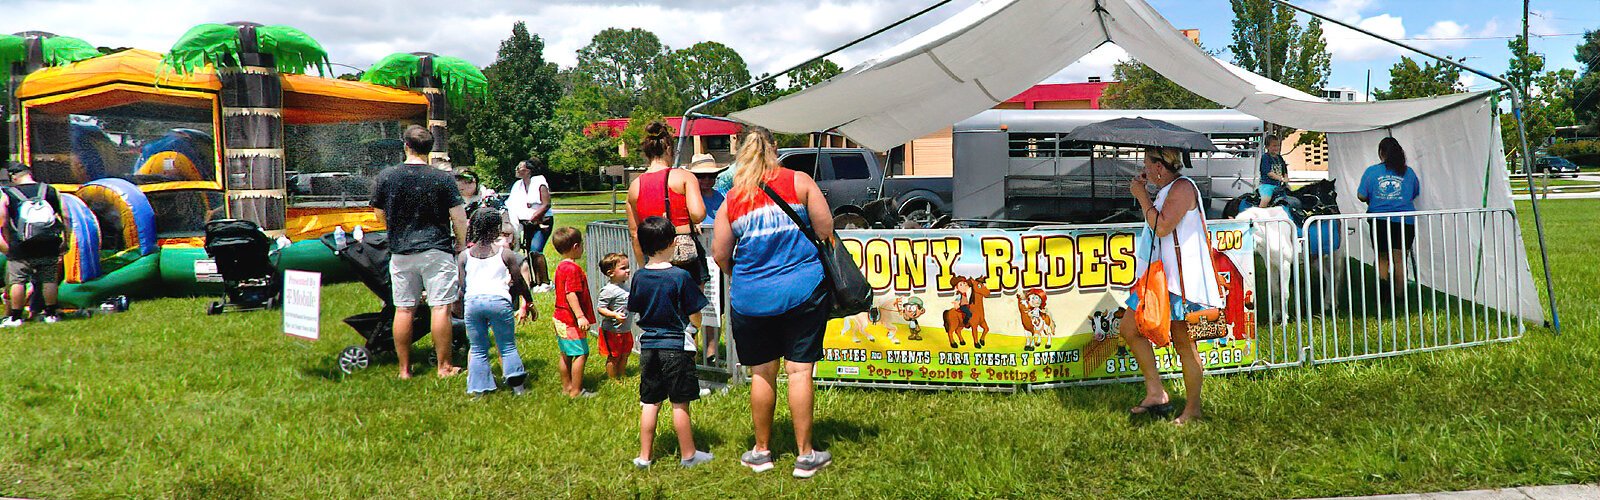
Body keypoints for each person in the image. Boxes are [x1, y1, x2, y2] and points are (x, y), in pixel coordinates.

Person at [711, 126, 834, 478]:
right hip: (804, 290)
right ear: (774, 148)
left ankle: (762, 451)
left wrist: (745, 276)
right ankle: (805, 455)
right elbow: (825, 230)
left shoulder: (733, 199)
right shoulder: (800, 181)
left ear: (741, 152)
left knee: (762, 374)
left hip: (751, 298)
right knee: (799, 371)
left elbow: (720, 253)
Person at [1117, 146, 1224, 426]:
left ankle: (1193, 410)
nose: (1144, 168)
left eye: (1147, 164)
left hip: (1182, 283)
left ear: (1160, 167)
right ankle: (1156, 392)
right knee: (1129, 328)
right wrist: (1148, 194)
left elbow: (1162, 227)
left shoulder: (1183, 188)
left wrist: (1142, 197)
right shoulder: (1167, 190)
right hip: (1157, 280)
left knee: (1184, 345)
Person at [371, 125, 469, 379]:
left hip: (401, 251)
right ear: (429, 149)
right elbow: (459, 217)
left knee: (403, 309)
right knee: (440, 308)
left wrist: (396, 230)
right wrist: (460, 243)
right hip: (436, 249)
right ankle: (444, 366)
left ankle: (404, 369)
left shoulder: (387, 176)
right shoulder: (442, 178)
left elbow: (379, 213)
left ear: (406, 146)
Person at [628, 216, 714, 469]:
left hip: (649, 346)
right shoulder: (680, 277)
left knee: (650, 402)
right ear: (672, 243)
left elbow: (636, 308)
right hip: (676, 345)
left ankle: (644, 457)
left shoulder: (639, 277)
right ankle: (688, 454)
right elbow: (694, 311)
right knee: (679, 403)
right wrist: (695, 329)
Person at [458, 209, 534, 396]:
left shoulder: (464, 256)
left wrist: (459, 308)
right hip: (498, 301)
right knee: (507, 345)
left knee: (477, 348)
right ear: (496, 229)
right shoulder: (504, 254)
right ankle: (518, 388)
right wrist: (529, 301)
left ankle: (479, 390)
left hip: (473, 302)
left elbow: (462, 286)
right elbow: (519, 281)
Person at [626, 120, 707, 282]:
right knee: (690, 306)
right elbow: (698, 214)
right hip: (682, 249)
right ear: (669, 149)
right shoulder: (684, 177)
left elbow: (634, 234)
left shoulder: (634, 187)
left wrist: (643, 266)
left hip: (653, 254)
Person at [0, 161, 69, 326]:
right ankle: (51, 314)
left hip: (21, 245)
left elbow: (2, 222)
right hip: (48, 242)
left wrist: (6, 244)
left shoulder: (8, 193)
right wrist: (65, 239)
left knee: (18, 281)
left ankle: (16, 317)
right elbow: (65, 216)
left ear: (13, 177)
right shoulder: (51, 190)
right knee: (49, 279)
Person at [1357, 137, 1422, 288]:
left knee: (1382, 257)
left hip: (1379, 220)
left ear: (1381, 153)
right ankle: (1400, 296)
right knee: (1399, 259)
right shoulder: (1409, 172)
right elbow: (1414, 192)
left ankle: (1383, 296)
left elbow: (1361, 195)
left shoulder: (1372, 171)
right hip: (1405, 220)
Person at [550, 226, 596, 398]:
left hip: (559, 317)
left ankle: (566, 387)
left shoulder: (561, 267)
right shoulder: (573, 269)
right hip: (570, 320)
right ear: (576, 246)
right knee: (581, 353)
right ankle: (576, 391)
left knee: (565, 353)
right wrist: (580, 316)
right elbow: (571, 294)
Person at [506, 157, 553, 292]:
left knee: (536, 250)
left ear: (528, 171)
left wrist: (535, 217)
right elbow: (512, 203)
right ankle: (534, 281)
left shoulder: (540, 182)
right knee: (528, 251)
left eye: (520, 167)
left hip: (542, 222)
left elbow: (546, 204)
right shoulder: (518, 185)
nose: (517, 170)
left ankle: (545, 282)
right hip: (526, 223)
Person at [594, 252, 633, 382]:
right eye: (623, 268)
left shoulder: (626, 286)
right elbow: (601, 308)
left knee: (625, 354)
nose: (628, 270)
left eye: (628, 267)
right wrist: (614, 314)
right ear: (611, 273)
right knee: (614, 356)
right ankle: (613, 379)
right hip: (612, 330)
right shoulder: (608, 290)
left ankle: (622, 375)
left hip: (625, 329)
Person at [1258, 135, 1290, 208]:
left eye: (1278, 145)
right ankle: (1260, 213)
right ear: (1267, 147)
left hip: (1278, 186)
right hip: (1267, 185)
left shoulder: (1279, 158)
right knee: (1266, 199)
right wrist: (1281, 179)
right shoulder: (1266, 157)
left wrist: (1286, 180)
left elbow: (1284, 170)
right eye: (1274, 146)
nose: (1277, 148)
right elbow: (1269, 173)